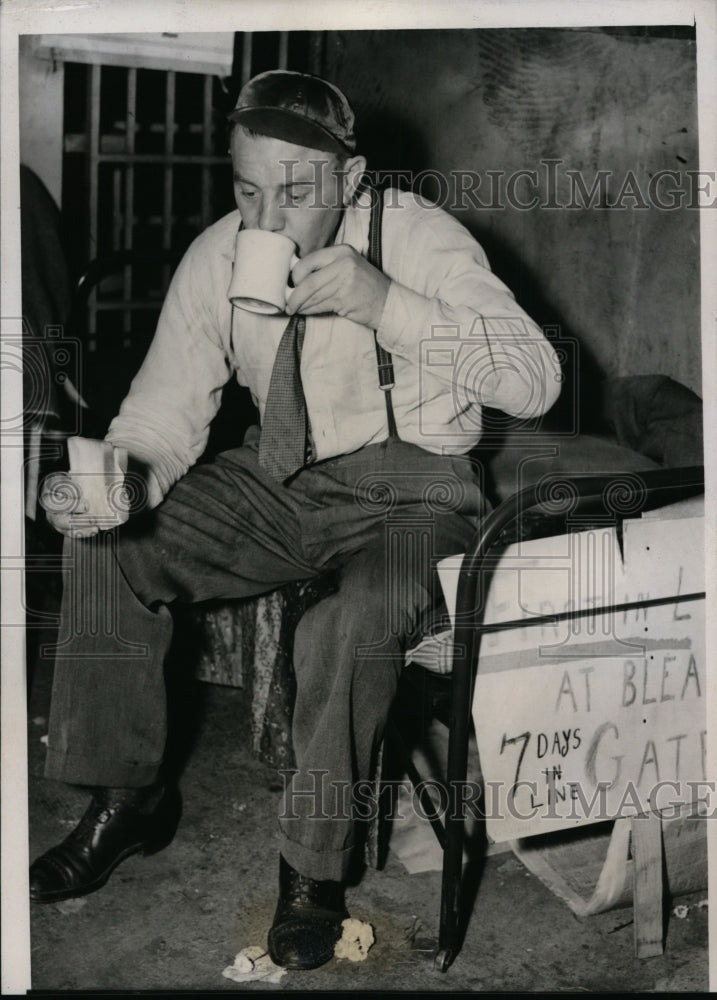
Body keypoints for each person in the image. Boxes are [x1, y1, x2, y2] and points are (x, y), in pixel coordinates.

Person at [29, 70, 561, 971]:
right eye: (248, 191)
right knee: (108, 547)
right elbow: (162, 415)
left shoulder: (415, 235)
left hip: (416, 487)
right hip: (281, 480)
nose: (267, 220)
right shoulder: (217, 256)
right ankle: (128, 798)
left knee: (348, 624)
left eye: (296, 191)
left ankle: (312, 870)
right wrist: (121, 482)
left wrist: (384, 303)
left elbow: (534, 381)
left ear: (349, 179)